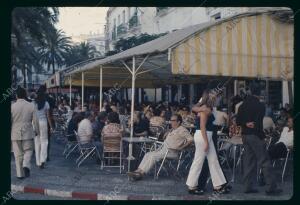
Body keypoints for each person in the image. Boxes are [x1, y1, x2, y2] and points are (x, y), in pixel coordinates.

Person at [236, 81, 282, 195]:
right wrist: (263, 137)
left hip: (245, 136)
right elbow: (258, 125)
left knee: (248, 162)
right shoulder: (260, 106)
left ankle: (247, 187)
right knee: (264, 161)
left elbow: (237, 121)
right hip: (255, 136)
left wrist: (245, 124)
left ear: (250, 91)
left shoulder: (242, 105)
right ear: (260, 92)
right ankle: (271, 188)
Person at [186, 90, 229, 195]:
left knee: (213, 160)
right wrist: (206, 142)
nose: (216, 99)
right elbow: (202, 127)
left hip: (205, 135)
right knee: (199, 160)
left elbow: (195, 109)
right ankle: (191, 186)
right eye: (214, 98)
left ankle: (218, 185)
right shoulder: (205, 109)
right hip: (203, 136)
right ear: (209, 99)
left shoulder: (207, 108)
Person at [127, 114, 193, 181]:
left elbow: (190, 139)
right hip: (163, 149)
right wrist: (167, 132)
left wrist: (182, 147)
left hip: (171, 152)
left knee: (153, 156)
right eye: (171, 120)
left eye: (173, 120)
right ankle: (138, 171)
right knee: (148, 154)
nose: (171, 122)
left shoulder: (183, 130)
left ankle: (141, 174)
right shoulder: (173, 129)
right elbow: (163, 138)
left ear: (178, 122)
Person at [11, 87, 35, 179]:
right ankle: (26, 164)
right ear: (25, 95)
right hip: (28, 132)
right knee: (29, 150)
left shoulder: (12, 106)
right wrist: (36, 130)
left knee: (17, 155)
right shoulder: (31, 105)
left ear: (16, 95)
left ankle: (20, 175)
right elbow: (35, 120)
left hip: (15, 132)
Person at [33, 86, 54, 169]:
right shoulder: (46, 103)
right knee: (44, 142)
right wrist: (51, 127)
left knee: (37, 141)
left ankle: (38, 161)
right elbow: (48, 116)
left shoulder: (33, 103)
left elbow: (32, 115)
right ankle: (42, 161)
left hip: (35, 123)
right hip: (43, 123)